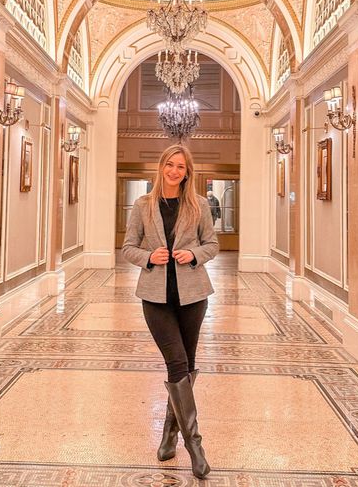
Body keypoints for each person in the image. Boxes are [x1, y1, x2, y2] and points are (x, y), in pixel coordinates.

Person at [122, 144, 219, 479]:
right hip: (155, 297)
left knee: (186, 366)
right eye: (169, 165)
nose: (174, 171)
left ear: (187, 172)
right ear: (161, 167)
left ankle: (169, 435)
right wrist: (150, 257)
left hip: (194, 296)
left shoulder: (200, 205)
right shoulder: (143, 205)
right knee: (177, 362)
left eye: (181, 167)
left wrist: (193, 254)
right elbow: (128, 247)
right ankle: (196, 446)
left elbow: (212, 244)